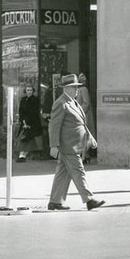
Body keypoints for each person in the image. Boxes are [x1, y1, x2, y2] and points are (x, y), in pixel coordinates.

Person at [47, 73, 105, 211]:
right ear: (66, 89)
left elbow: (82, 123)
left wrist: (90, 137)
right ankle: (89, 199)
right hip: (68, 146)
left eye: (77, 87)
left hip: (76, 145)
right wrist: (53, 145)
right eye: (74, 87)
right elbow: (54, 126)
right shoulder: (60, 103)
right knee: (79, 171)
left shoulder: (74, 102)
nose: (77, 90)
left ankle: (55, 201)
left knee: (63, 173)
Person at [17, 85, 43, 162]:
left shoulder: (35, 100)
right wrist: (23, 121)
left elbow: (34, 112)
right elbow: (20, 111)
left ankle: (25, 155)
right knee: (24, 138)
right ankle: (22, 155)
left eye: (30, 90)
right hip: (24, 122)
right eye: (27, 90)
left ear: (33, 91)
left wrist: (28, 122)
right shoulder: (23, 100)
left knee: (30, 138)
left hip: (33, 122)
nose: (29, 92)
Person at [76, 73, 95, 164]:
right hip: (79, 115)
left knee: (84, 136)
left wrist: (78, 111)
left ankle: (85, 156)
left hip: (83, 115)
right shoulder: (78, 89)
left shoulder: (83, 89)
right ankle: (84, 155)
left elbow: (86, 103)